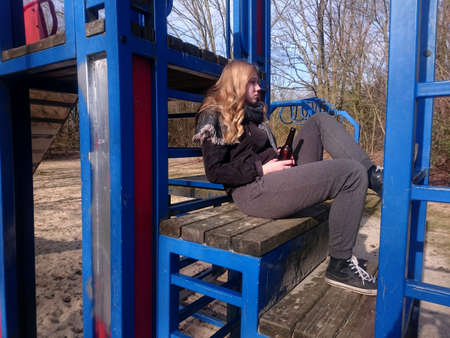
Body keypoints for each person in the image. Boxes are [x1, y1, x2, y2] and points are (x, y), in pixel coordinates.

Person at [193, 60, 383, 296]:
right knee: (350, 174)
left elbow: (261, 152)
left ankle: (374, 177)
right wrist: (262, 169)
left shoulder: (253, 115)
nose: (258, 87)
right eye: (251, 82)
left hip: (274, 180)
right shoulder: (214, 115)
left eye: (258, 82)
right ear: (235, 84)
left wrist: (281, 157)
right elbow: (215, 172)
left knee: (319, 121)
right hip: (254, 191)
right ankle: (340, 264)